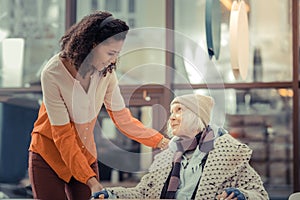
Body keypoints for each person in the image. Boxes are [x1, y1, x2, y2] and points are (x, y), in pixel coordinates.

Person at [28, 11, 169, 200]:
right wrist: (91, 180)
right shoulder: (53, 73)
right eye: (111, 53)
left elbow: (122, 118)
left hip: (85, 154)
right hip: (49, 157)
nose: (113, 60)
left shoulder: (106, 73)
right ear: (92, 45)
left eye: (117, 54)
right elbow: (63, 135)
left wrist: (162, 142)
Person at [100, 94, 269, 199]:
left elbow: (259, 195)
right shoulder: (167, 157)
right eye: (172, 112)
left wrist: (244, 196)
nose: (171, 117)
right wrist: (112, 194)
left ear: (197, 117)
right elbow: (143, 194)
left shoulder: (229, 155)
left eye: (179, 110)